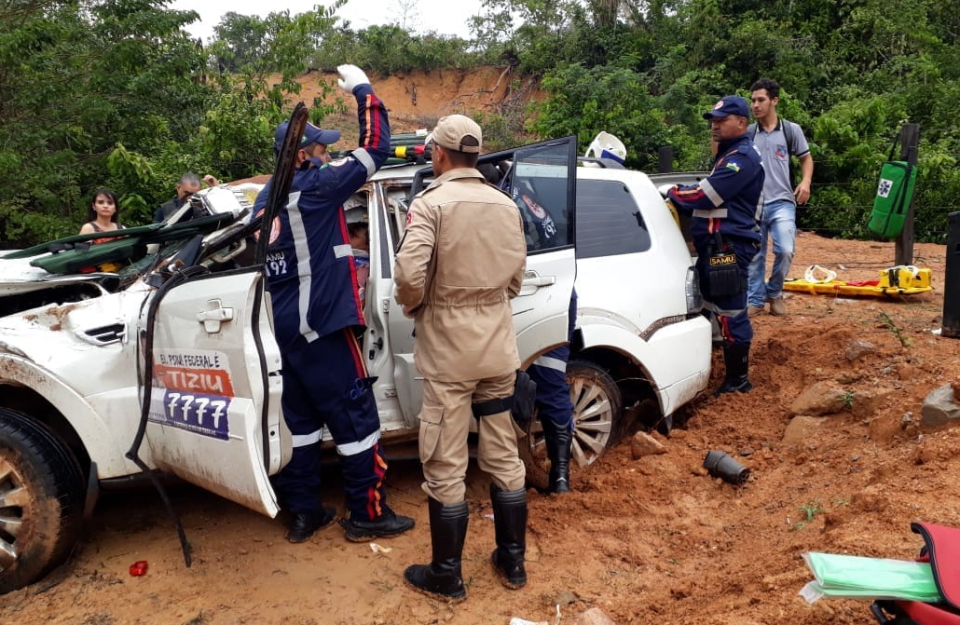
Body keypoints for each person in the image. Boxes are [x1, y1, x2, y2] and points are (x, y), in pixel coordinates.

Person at [254, 64, 414, 545]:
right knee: (356, 421)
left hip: (283, 333)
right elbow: (377, 149)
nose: (327, 152)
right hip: (323, 326)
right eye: (320, 147)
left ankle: (304, 513)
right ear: (301, 156)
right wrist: (364, 90)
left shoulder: (265, 198)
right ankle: (367, 513)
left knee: (301, 426)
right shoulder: (317, 188)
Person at [394, 115, 529, 601]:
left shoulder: (430, 204)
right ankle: (513, 563)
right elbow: (517, 274)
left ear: (440, 155)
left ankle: (447, 576)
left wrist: (418, 306)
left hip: (450, 353)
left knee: (445, 462)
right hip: (497, 349)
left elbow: (410, 276)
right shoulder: (505, 203)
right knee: (503, 452)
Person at [666, 96, 764, 395]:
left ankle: (738, 381)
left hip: (729, 249)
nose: (715, 125)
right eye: (713, 120)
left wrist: (673, 192)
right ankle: (720, 370)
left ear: (742, 123)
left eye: (722, 120)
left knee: (730, 311)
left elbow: (704, 196)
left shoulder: (741, 159)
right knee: (712, 306)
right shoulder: (729, 154)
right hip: (717, 247)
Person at [746, 78, 813, 317]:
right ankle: (755, 299)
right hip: (753, 203)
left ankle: (774, 293)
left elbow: (806, 158)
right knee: (755, 254)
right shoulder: (749, 132)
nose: (755, 105)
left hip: (782, 201)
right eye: (753, 100)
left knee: (785, 249)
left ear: (774, 100)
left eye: (761, 100)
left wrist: (805, 182)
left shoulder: (790, 130)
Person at [528, 290, 577, 493]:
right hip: (555, 294)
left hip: (542, 296)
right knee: (552, 388)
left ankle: (559, 477)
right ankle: (560, 478)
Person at [153, 173, 218, 223]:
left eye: (194, 194)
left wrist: (215, 189)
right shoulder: (164, 209)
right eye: (187, 193)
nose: (190, 197)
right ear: (178, 188)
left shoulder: (204, 207)